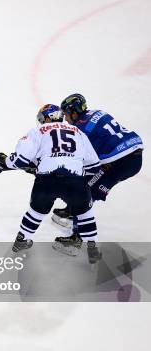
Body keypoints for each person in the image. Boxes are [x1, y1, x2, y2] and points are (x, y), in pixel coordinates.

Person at [0, 104, 102, 263]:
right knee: (85, 212)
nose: (41, 122)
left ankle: (21, 240)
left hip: (46, 180)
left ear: (48, 117)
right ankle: (92, 247)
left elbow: (19, 159)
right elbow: (94, 166)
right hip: (75, 180)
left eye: (42, 118)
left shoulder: (38, 131)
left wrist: (1, 162)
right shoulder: (78, 132)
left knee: (36, 211)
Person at [52, 93, 144, 250]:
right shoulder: (96, 112)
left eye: (67, 114)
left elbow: (83, 160)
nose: (66, 119)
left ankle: (77, 238)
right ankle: (72, 210)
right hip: (132, 153)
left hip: (121, 162)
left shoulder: (81, 130)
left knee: (83, 192)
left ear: (74, 112)